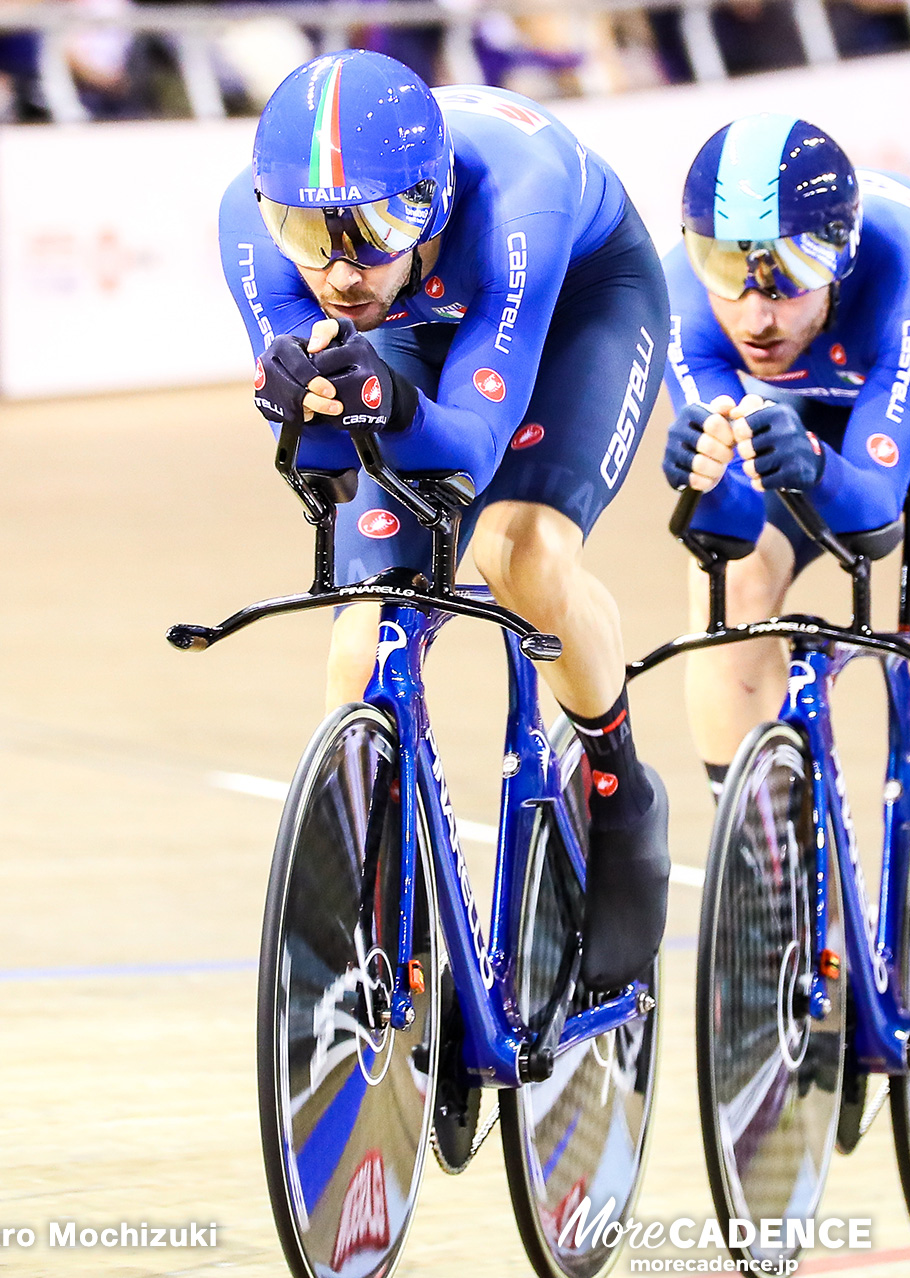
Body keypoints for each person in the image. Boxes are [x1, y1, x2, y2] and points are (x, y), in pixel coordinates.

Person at [217, 51, 671, 992]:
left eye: (377, 227)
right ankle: (389, 918)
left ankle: (621, 791)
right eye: (308, 234)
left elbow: (468, 445)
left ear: (430, 198)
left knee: (522, 550)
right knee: (362, 637)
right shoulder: (249, 229)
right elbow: (332, 462)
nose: (340, 272)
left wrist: (380, 393)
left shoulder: (519, 201)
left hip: (579, 301)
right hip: (418, 325)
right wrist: (311, 409)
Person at [663, 114, 910, 1113]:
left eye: (786, 276)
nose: (754, 310)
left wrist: (812, 466)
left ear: (837, 258)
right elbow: (718, 498)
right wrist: (697, 467)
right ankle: (779, 901)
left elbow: (875, 514)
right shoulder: (690, 300)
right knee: (733, 592)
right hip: (821, 421)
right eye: (729, 271)